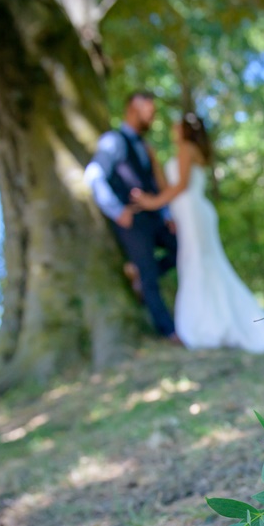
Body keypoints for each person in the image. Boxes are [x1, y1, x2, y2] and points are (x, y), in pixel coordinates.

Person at [130, 114, 264, 353]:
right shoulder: (191, 151)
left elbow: (179, 187)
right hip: (189, 212)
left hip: (191, 213)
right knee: (198, 264)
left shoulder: (187, 148)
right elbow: (170, 185)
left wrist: (152, 204)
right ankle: (211, 322)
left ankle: (206, 326)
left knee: (197, 264)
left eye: (176, 125)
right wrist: (154, 162)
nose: (173, 128)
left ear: (185, 130)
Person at [83, 90, 181, 343]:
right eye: (148, 110)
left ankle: (136, 273)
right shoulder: (112, 141)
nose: (152, 116)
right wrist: (117, 211)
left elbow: (154, 184)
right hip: (133, 221)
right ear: (132, 108)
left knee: (182, 249)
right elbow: (94, 176)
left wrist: (166, 213)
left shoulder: (146, 146)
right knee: (149, 276)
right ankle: (169, 331)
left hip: (155, 217)